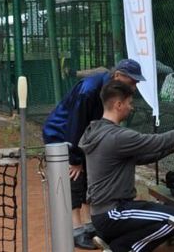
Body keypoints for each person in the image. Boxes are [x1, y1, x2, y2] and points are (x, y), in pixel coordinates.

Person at [79, 79, 174, 252]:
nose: (131, 107)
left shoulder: (98, 130)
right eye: (129, 103)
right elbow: (157, 142)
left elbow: (141, 158)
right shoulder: (117, 136)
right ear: (118, 105)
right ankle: (122, 248)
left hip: (105, 212)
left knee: (170, 217)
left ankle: (117, 244)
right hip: (114, 212)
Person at [42, 59, 146, 249]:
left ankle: (90, 224)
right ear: (118, 76)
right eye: (132, 81)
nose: (134, 87)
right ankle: (76, 229)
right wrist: (75, 158)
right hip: (62, 133)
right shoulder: (89, 90)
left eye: (136, 83)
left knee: (90, 172)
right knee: (75, 175)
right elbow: (76, 123)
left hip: (83, 133)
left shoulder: (112, 90)